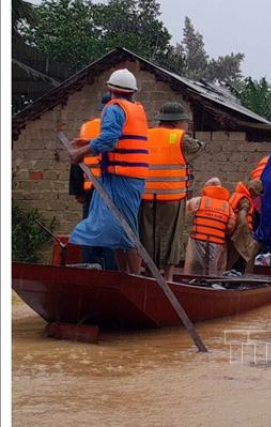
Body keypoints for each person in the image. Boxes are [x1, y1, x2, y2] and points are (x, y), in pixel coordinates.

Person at [68, 69, 149, 274]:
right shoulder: (136, 110)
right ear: (133, 92)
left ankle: (134, 279)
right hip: (127, 177)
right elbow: (121, 139)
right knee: (118, 231)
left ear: (110, 89)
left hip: (121, 177)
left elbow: (109, 140)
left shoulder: (114, 108)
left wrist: (82, 152)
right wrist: (88, 142)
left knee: (127, 230)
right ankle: (125, 277)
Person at [139, 102, 205, 280]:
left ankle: (148, 273)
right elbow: (199, 147)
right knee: (171, 237)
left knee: (147, 236)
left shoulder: (146, 135)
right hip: (172, 196)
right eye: (184, 121)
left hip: (145, 196)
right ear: (176, 122)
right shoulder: (180, 138)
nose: (186, 125)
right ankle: (167, 277)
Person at [68, 94, 117, 270]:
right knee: (111, 229)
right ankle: (110, 269)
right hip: (112, 187)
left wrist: (77, 191)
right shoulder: (118, 127)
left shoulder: (86, 128)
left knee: (90, 228)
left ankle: (88, 267)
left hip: (89, 188)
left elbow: (76, 160)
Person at [185, 178, 237, 275]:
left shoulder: (198, 201)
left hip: (197, 241)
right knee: (215, 269)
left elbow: (183, 209)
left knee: (194, 269)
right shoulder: (228, 208)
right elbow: (230, 227)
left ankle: (190, 280)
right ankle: (214, 282)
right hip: (217, 243)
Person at [228, 179, 263, 272]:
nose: (256, 197)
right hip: (239, 234)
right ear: (252, 190)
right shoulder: (245, 201)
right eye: (257, 194)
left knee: (230, 259)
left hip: (232, 232)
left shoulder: (237, 195)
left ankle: (226, 276)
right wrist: (246, 236)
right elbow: (242, 218)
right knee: (248, 254)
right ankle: (243, 279)